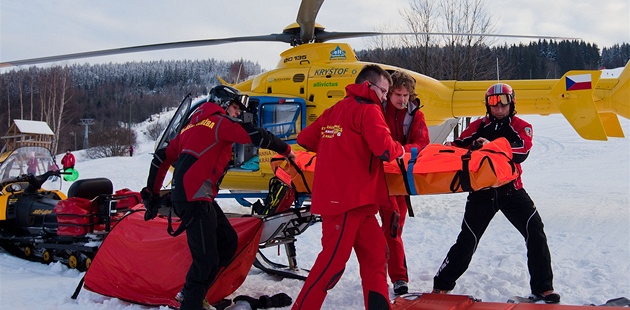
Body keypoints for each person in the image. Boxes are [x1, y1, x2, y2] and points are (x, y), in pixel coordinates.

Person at [142, 85, 295, 310]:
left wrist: (152, 195)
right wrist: (286, 150)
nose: (237, 114)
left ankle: (201, 292)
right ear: (224, 104)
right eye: (235, 108)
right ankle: (190, 301)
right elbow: (255, 135)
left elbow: (160, 158)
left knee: (227, 242)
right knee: (205, 260)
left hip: (195, 197)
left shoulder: (190, 127)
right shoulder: (219, 123)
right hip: (194, 199)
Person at [432, 83, 560, 303]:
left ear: (512, 104)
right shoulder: (477, 126)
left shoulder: (522, 126)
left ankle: (543, 288)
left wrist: (491, 146)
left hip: (512, 191)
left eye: (503, 103)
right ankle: (441, 285)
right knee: (467, 240)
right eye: (493, 104)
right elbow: (454, 147)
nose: (498, 108)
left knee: (535, 231)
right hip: (482, 193)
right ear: (487, 105)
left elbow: (522, 151)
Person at [292, 64, 405, 310]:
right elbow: (385, 149)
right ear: (368, 86)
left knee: (376, 254)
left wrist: (338, 148)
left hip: (360, 203)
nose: (385, 98)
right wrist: (402, 149)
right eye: (384, 92)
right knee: (331, 265)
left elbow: (305, 139)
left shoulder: (334, 110)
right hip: (346, 202)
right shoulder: (369, 111)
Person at [380, 70, 430, 295]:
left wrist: (400, 151)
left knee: (393, 228)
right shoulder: (376, 110)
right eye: (398, 94)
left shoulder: (414, 115)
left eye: (406, 95)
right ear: (389, 93)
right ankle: (378, 272)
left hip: (398, 179)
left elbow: (423, 141)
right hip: (372, 176)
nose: (402, 100)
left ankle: (397, 276)